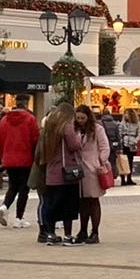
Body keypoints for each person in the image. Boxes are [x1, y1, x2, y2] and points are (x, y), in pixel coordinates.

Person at [66, 104, 110, 243]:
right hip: (78, 169)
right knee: (82, 202)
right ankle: (83, 230)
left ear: (88, 117)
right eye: (77, 118)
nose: (80, 120)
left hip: (93, 170)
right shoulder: (73, 129)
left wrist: (100, 162)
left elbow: (104, 147)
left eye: (82, 118)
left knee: (93, 200)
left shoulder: (97, 129)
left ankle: (95, 232)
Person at [0, 100, 37, 230]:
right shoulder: (30, 119)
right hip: (26, 159)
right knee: (24, 189)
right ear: (26, 106)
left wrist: (2, 156)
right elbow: (35, 139)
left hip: (9, 158)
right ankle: (19, 218)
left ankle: (5, 205)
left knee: (13, 186)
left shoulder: (4, 120)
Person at [34, 106, 75, 244]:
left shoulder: (46, 131)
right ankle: (68, 236)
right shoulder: (66, 127)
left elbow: (38, 154)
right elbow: (74, 145)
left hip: (49, 173)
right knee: (67, 206)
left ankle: (50, 234)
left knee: (51, 205)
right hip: (65, 173)